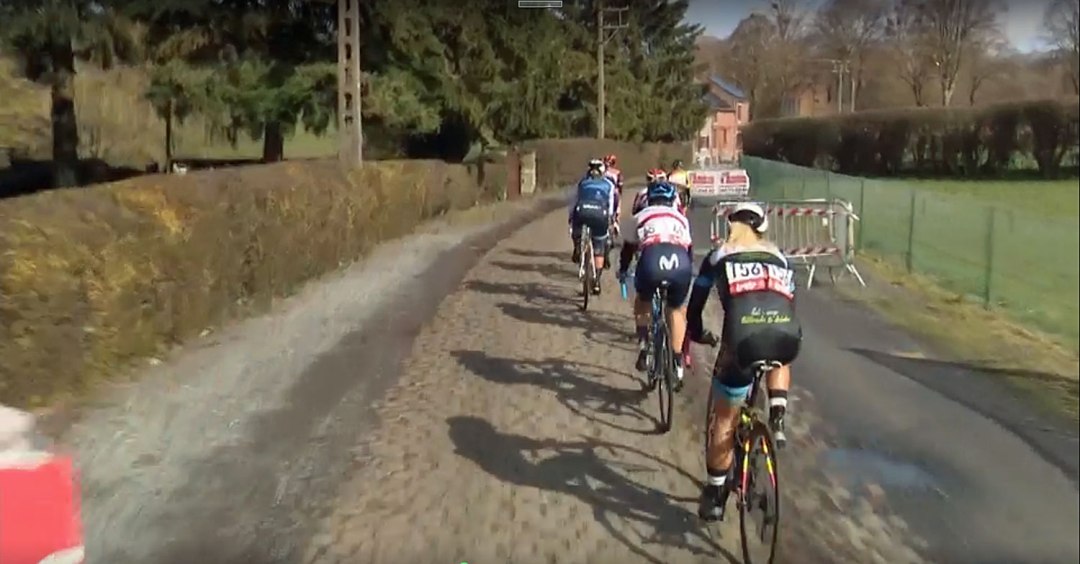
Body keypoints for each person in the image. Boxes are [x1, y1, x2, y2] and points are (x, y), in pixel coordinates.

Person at [685, 201, 802, 522]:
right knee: (779, 347)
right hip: (785, 335)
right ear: (762, 229)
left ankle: (715, 495)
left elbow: (695, 306)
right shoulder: (780, 258)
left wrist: (697, 333)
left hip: (740, 343)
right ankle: (778, 412)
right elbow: (789, 304)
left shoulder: (718, 256)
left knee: (725, 419)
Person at [616, 180, 694, 391]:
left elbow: (628, 250)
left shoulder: (640, 216)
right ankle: (677, 362)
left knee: (643, 300)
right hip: (680, 264)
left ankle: (644, 347)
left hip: (652, 260)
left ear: (649, 199)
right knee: (676, 309)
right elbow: (689, 250)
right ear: (672, 200)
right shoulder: (681, 218)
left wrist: (623, 270)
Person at [570, 158, 617, 295]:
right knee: (599, 248)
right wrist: (611, 220)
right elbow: (611, 206)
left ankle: (577, 246)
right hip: (600, 215)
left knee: (576, 229)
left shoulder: (582, 182)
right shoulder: (608, 184)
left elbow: (574, 202)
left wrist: (571, 218)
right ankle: (596, 282)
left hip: (582, 212)